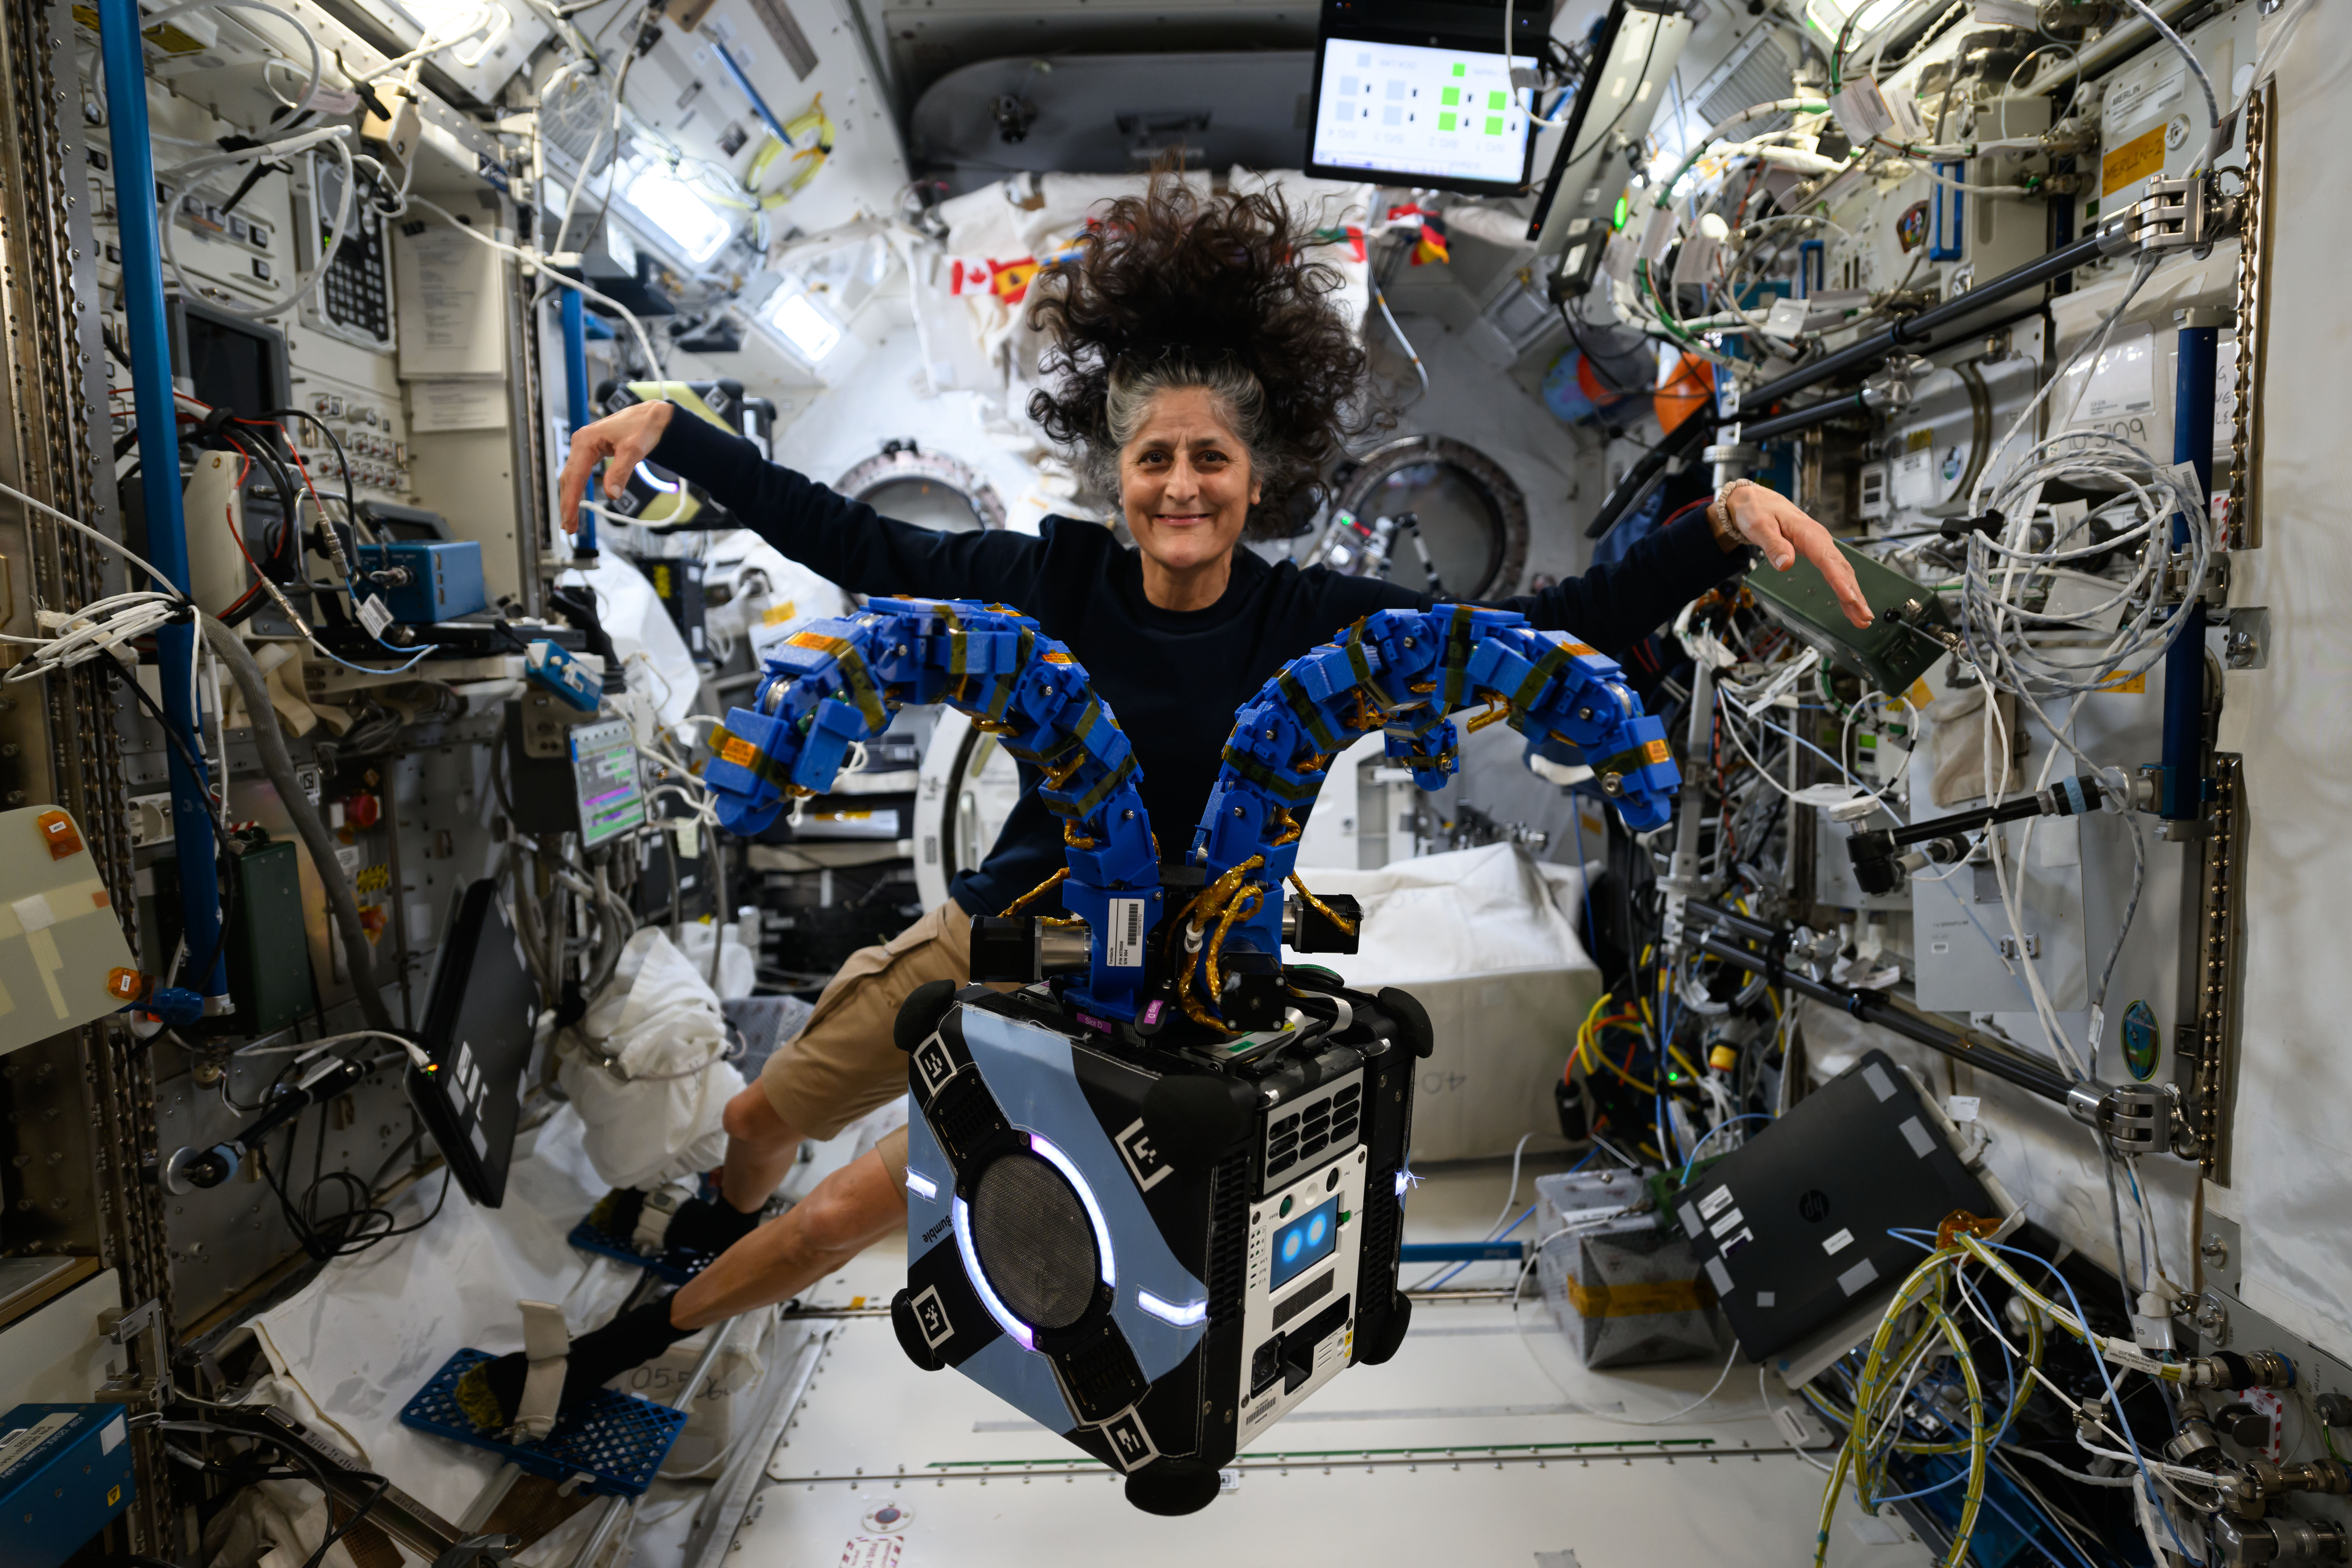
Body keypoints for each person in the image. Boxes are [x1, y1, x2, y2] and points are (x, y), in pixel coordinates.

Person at [454, 173, 1873, 1425]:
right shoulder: (1050, 580)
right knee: (764, 1119)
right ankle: (705, 1224)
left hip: (1124, 999)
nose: (1181, 486)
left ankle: (615, 1353)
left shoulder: (1314, 621)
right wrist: (682, 433)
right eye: (1154, 458)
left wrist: (1717, 528)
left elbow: (1538, 627)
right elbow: (858, 542)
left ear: (1260, 476)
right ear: (1117, 469)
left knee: (836, 1213)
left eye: (1211, 459)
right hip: (988, 931)